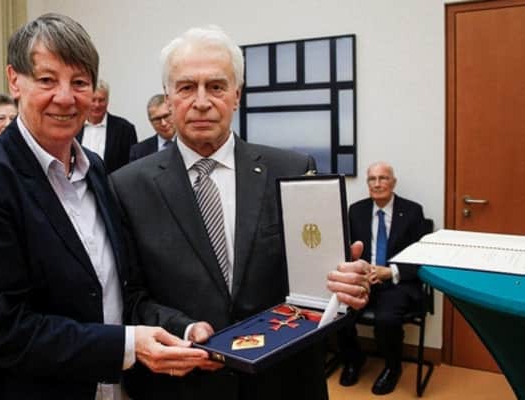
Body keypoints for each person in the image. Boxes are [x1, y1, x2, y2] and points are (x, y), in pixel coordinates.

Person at [0, 14, 208, 400]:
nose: (65, 98)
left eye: (79, 82)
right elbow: (2, 327)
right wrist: (128, 346)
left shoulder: (94, 170)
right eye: (47, 80)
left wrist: (180, 328)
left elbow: (113, 289)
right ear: (15, 80)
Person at [110, 26, 371, 399]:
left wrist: (346, 285)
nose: (201, 101)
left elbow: (321, 282)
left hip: (283, 381)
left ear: (237, 95)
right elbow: (130, 297)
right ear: (168, 98)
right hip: (185, 385)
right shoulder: (127, 186)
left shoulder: (294, 171)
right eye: (186, 87)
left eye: (216, 86)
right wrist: (185, 328)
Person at [337, 161, 428, 395]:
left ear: (393, 182)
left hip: (397, 283)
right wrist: (361, 270)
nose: (377, 184)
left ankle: (392, 367)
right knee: (337, 312)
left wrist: (390, 271)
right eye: (372, 179)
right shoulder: (356, 210)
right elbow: (348, 250)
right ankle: (354, 359)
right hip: (364, 280)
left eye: (383, 178)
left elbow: (422, 257)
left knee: (386, 319)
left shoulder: (412, 212)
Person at [77, 79, 138, 173]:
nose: (97, 105)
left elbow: (131, 166)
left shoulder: (125, 129)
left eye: (101, 100)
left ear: (108, 101)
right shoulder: (74, 125)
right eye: (93, 100)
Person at [129, 94, 176, 162]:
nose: (163, 123)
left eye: (166, 116)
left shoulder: (190, 142)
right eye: (157, 119)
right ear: (150, 122)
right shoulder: (138, 152)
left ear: (174, 113)